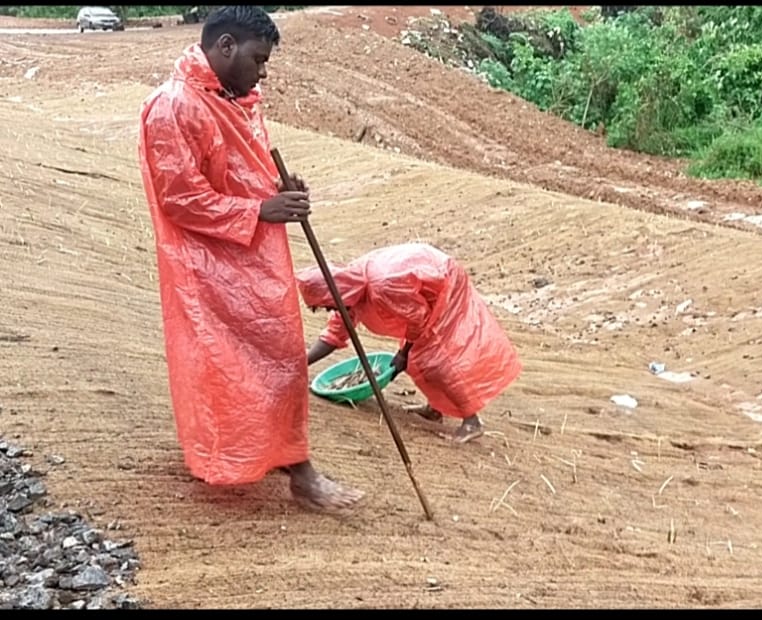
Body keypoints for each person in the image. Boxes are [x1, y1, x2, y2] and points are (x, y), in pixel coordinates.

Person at [137, 6, 363, 512]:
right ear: (225, 47)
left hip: (258, 263)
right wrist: (261, 208)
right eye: (259, 60)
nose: (263, 72)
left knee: (279, 362)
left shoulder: (239, 101)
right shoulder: (173, 107)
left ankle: (283, 458)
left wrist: (281, 188)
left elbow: (245, 170)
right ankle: (290, 470)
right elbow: (179, 198)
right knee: (224, 367)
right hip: (207, 270)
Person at [297, 242, 523, 444]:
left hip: (444, 283)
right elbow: (335, 333)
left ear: (335, 294)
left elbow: (418, 318)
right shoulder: (348, 286)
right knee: (419, 356)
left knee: (433, 360)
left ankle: (472, 422)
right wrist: (300, 365)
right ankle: (435, 408)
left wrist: (404, 352)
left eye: (327, 305)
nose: (329, 310)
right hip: (420, 284)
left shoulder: (382, 288)